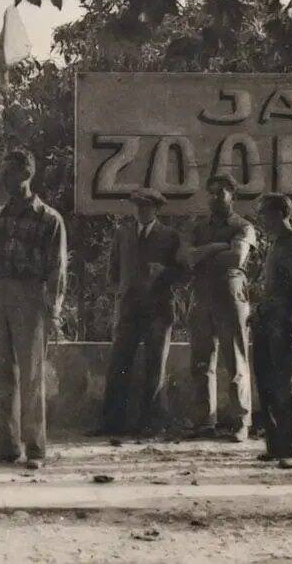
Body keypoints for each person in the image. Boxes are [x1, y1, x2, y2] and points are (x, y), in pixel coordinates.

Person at [0, 148, 67, 470]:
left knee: (31, 377)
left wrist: (52, 310)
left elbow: (57, 269)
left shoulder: (48, 219)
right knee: (2, 376)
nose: (3, 178)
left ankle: (35, 449)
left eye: (9, 172)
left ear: (26, 174)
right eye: (2, 171)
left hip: (30, 298)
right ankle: (6, 447)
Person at [98, 188, 183, 439]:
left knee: (155, 366)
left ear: (156, 209)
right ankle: (112, 423)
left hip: (158, 310)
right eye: (137, 206)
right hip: (128, 309)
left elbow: (183, 272)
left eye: (146, 206)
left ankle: (151, 424)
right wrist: (120, 293)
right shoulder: (123, 234)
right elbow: (113, 271)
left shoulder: (170, 236)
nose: (141, 211)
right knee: (119, 364)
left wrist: (164, 272)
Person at [183, 174, 257, 442]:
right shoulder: (199, 227)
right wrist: (217, 246)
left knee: (235, 360)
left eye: (220, 193)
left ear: (232, 195)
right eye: (211, 192)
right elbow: (187, 257)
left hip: (230, 296)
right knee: (202, 362)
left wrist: (203, 253)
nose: (214, 198)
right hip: (202, 296)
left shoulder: (243, 226)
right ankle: (205, 421)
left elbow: (237, 257)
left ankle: (241, 422)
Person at [252, 193, 292, 469]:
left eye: (265, 213)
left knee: (286, 385)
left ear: (280, 214)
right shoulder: (275, 244)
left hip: (285, 324)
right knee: (267, 384)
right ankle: (276, 446)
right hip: (267, 322)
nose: (261, 219)